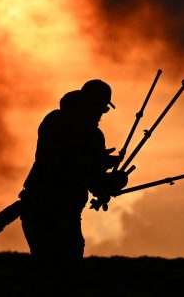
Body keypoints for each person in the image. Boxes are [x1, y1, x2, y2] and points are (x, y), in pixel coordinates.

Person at [19, 79, 129, 264]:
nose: (102, 114)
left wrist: (100, 163)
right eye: (102, 108)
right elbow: (85, 176)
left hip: (35, 210)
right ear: (92, 105)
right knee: (65, 272)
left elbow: (72, 164)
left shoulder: (53, 120)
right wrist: (113, 178)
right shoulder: (91, 134)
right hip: (60, 214)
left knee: (45, 270)